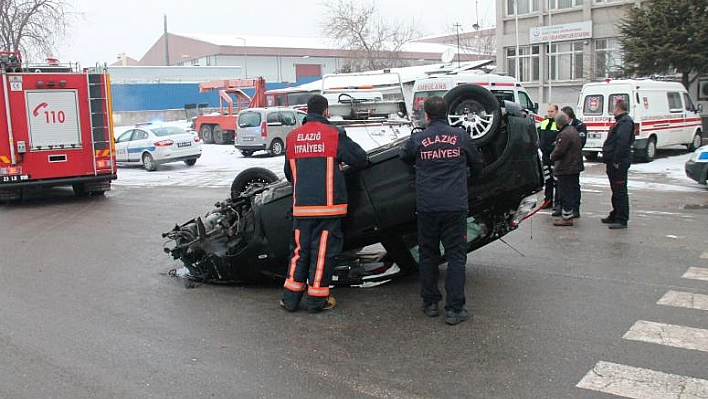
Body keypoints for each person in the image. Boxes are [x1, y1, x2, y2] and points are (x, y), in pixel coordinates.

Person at [400, 95, 484, 326]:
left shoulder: (419, 138)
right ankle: (455, 309)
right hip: (454, 206)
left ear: (426, 115)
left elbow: (404, 156)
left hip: (427, 206)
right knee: (456, 256)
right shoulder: (460, 137)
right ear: (447, 113)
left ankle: (430, 304)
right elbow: (477, 164)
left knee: (428, 255)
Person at [281, 94, 368, 313]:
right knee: (322, 254)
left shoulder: (292, 137)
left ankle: (290, 299)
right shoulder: (333, 134)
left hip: (301, 207)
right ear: (326, 111)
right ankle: (316, 300)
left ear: (307, 111)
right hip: (328, 208)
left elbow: (289, 174)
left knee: (299, 252)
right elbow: (359, 158)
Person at [601, 100, 634, 229]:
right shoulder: (620, 121)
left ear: (618, 108)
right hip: (613, 161)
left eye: (614, 108)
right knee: (615, 190)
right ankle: (615, 214)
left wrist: (616, 161)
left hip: (618, 163)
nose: (613, 110)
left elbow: (623, 143)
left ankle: (622, 219)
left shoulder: (625, 122)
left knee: (620, 191)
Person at [550, 112, 584, 226]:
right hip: (574, 166)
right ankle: (570, 213)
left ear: (559, 123)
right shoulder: (573, 130)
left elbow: (559, 151)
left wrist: (552, 156)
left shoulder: (564, 134)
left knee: (565, 193)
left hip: (566, 168)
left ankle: (567, 217)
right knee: (572, 191)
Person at [561, 106, 587, 218]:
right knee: (563, 188)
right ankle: (563, 208)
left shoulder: (579, 126)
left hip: (574, 161)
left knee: (574, 186)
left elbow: (580, 143)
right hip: (563, 162)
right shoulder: (559, 125)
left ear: (569, 116)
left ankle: (575, 209)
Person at [539, 105, 560, 214]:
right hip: (546, 157)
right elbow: (540, 138)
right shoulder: (544, 123)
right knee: (548, 180)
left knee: (557, 181)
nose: (550, 113)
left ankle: (557, 204)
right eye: (548, 111)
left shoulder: (559, 124)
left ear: (557, 111)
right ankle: (548, 201)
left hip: (555, 157)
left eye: (552, 111)